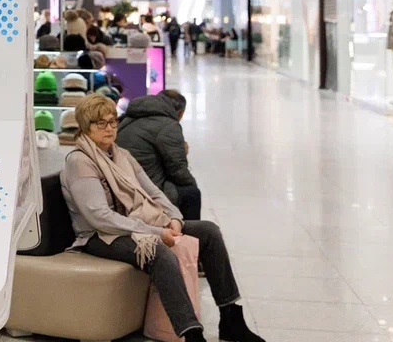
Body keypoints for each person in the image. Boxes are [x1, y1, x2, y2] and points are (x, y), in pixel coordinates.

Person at [61, 95, 264, 342]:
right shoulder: (80, 161)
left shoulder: (120, 154)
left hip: (132, 224)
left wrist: (174, 217)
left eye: (113, 122)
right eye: (101, 123)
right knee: (157, 251)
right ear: (86, 126)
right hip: (99, 236)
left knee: (209, 231)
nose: (110, 129)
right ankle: (191, 333)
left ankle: (231, 318)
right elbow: (99, 217)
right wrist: (156, 232)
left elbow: (153, 192)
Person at [116, 90, 201, 221]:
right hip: (146, 187)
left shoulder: (129, 117)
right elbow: (178, 171)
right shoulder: (169, 125)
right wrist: (192, 183)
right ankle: (188, 231)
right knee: (192, 193)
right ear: (180, 113)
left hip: (120, 184)